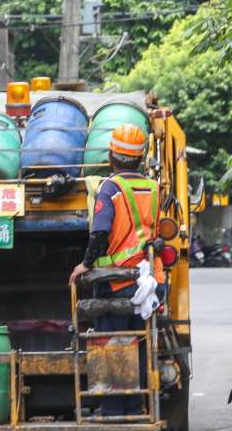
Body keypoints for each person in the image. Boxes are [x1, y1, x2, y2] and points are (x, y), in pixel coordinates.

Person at [69, 124, 164, 416]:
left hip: (117, 280)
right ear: (139, 157)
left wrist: (85, 264)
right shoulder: (152, 187)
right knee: (138, 341)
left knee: (111, 341)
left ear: (112, 156)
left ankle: (112, 408)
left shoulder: (110, 188)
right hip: (148, 279)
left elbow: (99, 233)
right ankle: (135, 404)